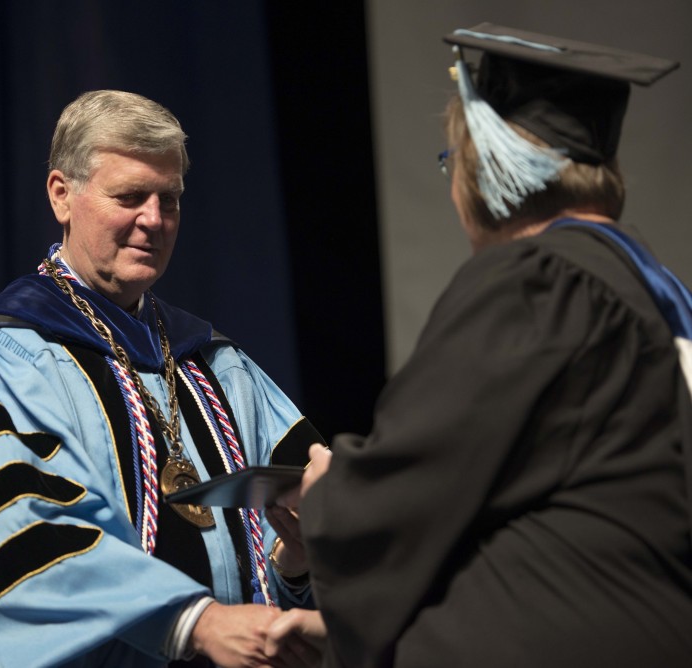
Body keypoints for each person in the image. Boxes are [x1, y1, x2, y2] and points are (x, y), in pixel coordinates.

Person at [266, 23, 692, 667]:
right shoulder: (655, 288)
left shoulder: (540, 279)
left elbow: (415, 481)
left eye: (453, 163)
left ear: (491, 163)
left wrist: (330, 491)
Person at [0, 89, 323, 668]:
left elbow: (283, 564)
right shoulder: (7, 359)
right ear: (62, 195)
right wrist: (193, 622)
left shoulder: (216, 367)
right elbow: (20, 552)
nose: (153, 221)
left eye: (170, 200)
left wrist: (296, 561)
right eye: (130, 196)